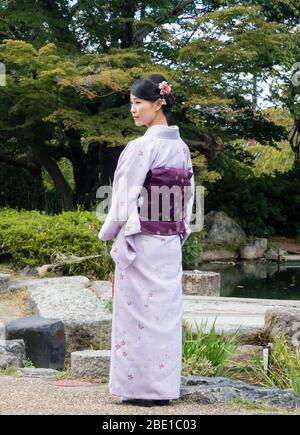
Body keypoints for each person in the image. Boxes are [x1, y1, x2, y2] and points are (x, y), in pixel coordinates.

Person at [98, 73, 195, 407]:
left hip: (144, 244)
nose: (133, 110)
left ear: (158, 104)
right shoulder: (180, 148)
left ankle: (139, 389)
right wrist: (180, 230)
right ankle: (163, 389)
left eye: (138, 103)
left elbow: (124, 198)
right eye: (131, 104)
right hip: (168, 243)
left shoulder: (143, 146)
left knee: (137, 315)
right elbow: (188, 198)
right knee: (163, 317)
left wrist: (109, 233)